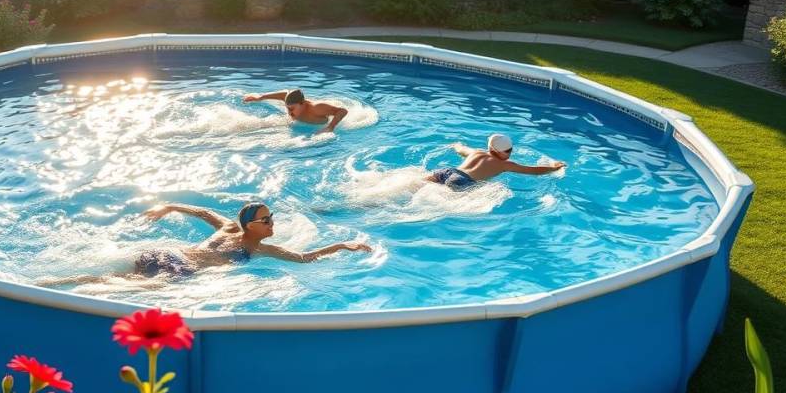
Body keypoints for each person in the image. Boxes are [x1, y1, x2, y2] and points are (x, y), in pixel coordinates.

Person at [38, 201, 371, 286]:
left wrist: (342, 245)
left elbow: (200, 211)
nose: (273, 224)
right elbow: (304, 259)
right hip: (179, 266)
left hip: (165, 254)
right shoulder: (255, 248)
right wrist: (342, 247)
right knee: (121, 286)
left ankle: (56, 282)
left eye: (272, 218)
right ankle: (60, 284)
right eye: (266, 220)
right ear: (250, 225)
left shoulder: (229, 228)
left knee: (114, 278)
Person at [426, 133, 565, 190]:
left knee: (421, 184)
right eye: (508, 151)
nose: (511, 153)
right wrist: (553, 168)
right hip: (463, 181)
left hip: (447, 171)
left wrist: (455, 144)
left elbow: (461, 149)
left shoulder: (477, 152)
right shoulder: (504, 164)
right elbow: (532, 170)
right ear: (499, 152)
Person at [243, 89, 348, 134]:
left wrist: (330, 127)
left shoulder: (317, 108)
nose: (289, 112)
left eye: (291, 109)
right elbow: (284, 94)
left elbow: (343, 111)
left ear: (302, 103)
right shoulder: (292, 103)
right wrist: (260, 97)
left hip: (317, 125)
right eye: (287, 108)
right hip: (298, 124)